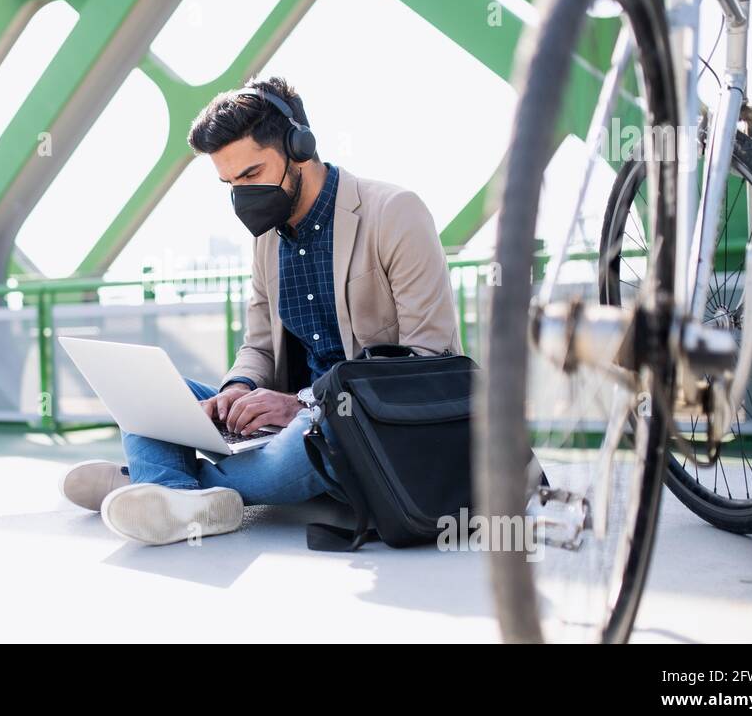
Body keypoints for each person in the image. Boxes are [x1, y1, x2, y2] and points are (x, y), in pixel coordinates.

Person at [59, 76, 460, 545]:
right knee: (155, 394)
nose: (242, 195)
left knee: (295, 453)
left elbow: (429, 360)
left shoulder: (394, 211)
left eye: (250, 176)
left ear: (300, 148)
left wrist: (301, 403)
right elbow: (259, 345)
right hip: (292, 419)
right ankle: (175, 493)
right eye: (229, 183)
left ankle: (149, 485)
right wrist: (237, 389)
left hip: (370, 421)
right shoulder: (267, 237)